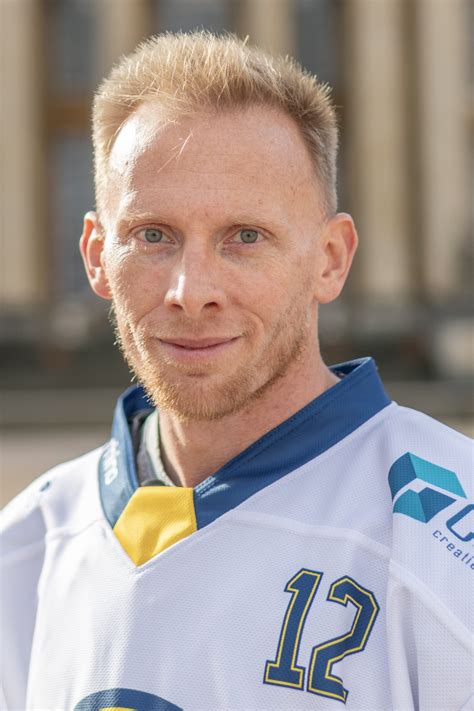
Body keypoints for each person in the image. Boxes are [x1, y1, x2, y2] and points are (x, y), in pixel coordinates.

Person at [1, 31, 472, 711]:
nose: (191, 291)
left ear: (331, 259)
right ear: (97, 256)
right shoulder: (28, 547)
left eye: (245, 237)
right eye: (153, 235)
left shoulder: (446, 547)